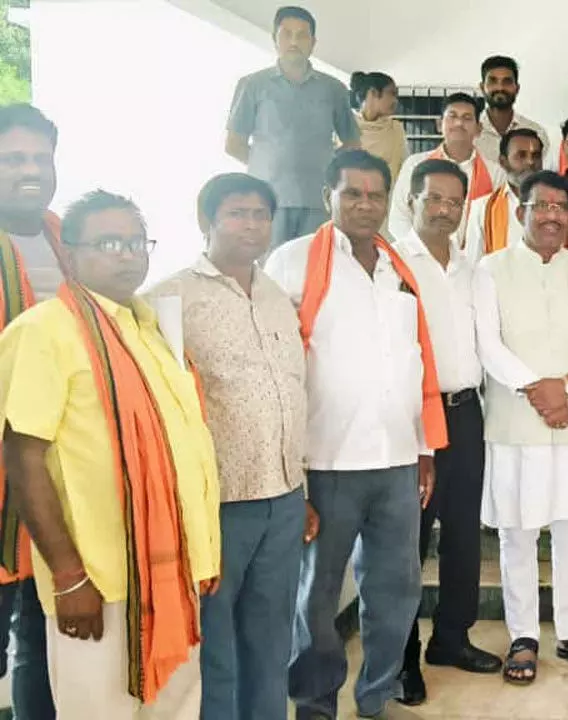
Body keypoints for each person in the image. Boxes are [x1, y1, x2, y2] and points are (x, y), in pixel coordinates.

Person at [0, 190, 219, 718]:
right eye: (108, 243)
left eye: (136, 243)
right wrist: (69, 576)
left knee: (177, 708)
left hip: (173, 573)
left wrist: (203, 553)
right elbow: (23, 459)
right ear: (70, 254)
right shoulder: (43, 330)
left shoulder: (153, 329)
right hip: (99, 580)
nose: (126, 255)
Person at [265, 150, 444, 720]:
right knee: (317, 597)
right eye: (352, 194)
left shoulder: (398, 268)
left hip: (397, 459)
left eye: (375, 195)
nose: (365, 205)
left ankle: (377, 698)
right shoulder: (293, 262)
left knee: (396, 593)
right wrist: (291, 469)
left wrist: (424, 448)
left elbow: (417, 358)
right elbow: (276, 364)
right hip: (326, 461)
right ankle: (314, 704)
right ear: (328, 196)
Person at [147, 173, 307, 720]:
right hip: (217, 503)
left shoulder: (278, 296)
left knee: (272, 639)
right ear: (207, 220)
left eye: (261, 215)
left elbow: (294, 389)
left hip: (283, 496)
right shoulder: (169, 300)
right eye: (238, 213)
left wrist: (303, 487)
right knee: (215, 646)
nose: (252, 225)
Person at [473, 171, 568, 685]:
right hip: (516, 423)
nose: (552, 215)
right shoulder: (491, 269)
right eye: (542, 206)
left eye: (561, 207)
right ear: (521, 212)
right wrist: (537, 390)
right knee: (517, 533)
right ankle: (523, 635)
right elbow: (488, 344)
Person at [395, 159, 502, 705]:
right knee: (408, 539)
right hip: (413, 415)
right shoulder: (391, 264)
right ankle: (402, 656)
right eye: (433, 199)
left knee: (463, 533)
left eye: (453, 202)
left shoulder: (471, 268)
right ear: (411, 201)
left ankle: (452, 637)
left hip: (465, 412)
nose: (443, 210)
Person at [0, 104, 61, 720]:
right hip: (1, 478)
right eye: (14, 158)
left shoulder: (65, 237)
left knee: (44, 645)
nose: (31, 170)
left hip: (56, 477)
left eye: (41, 158)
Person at [226, 6, 361, 250]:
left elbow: (352, 143)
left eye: (302, 35)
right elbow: (234, 144)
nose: (294, 42)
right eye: (287, 34)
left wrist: (326, 163)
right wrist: (268, 165)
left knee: (315, 265)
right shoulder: (253, 85)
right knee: (267, 266)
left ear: (313, 42)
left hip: (319, 200)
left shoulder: (334, 89)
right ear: (274, 39)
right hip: (266, 200)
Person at [390, 93, 506, 249]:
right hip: (420, 256)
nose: (459, 123)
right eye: (452, 116)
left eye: (467, 118)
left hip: (477, 259)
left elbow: (498, 222)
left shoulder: (496, 173)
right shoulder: (415, 165)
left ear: (479, 129)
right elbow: (399, 218)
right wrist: (423, 252)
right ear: (439, 124)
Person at [463, 128, 544, 263]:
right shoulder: (482, 208)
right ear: (503, 162)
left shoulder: (559, 205)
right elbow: (473, 265)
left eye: (535, 156)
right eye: (521, 155)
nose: (530, 162)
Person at [475, 55, 549, 165]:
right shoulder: (470, 134)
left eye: (507, 82)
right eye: (493, 81)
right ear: (482, 88)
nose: (500, 88)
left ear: (517, 88)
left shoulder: (537, 133)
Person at [351, 71, 408, 187]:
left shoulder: (396, 130)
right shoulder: (343, 128)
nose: (395, 100)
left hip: (387, 197)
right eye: (392, 93)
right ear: (373, 92)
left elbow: (405, 172)